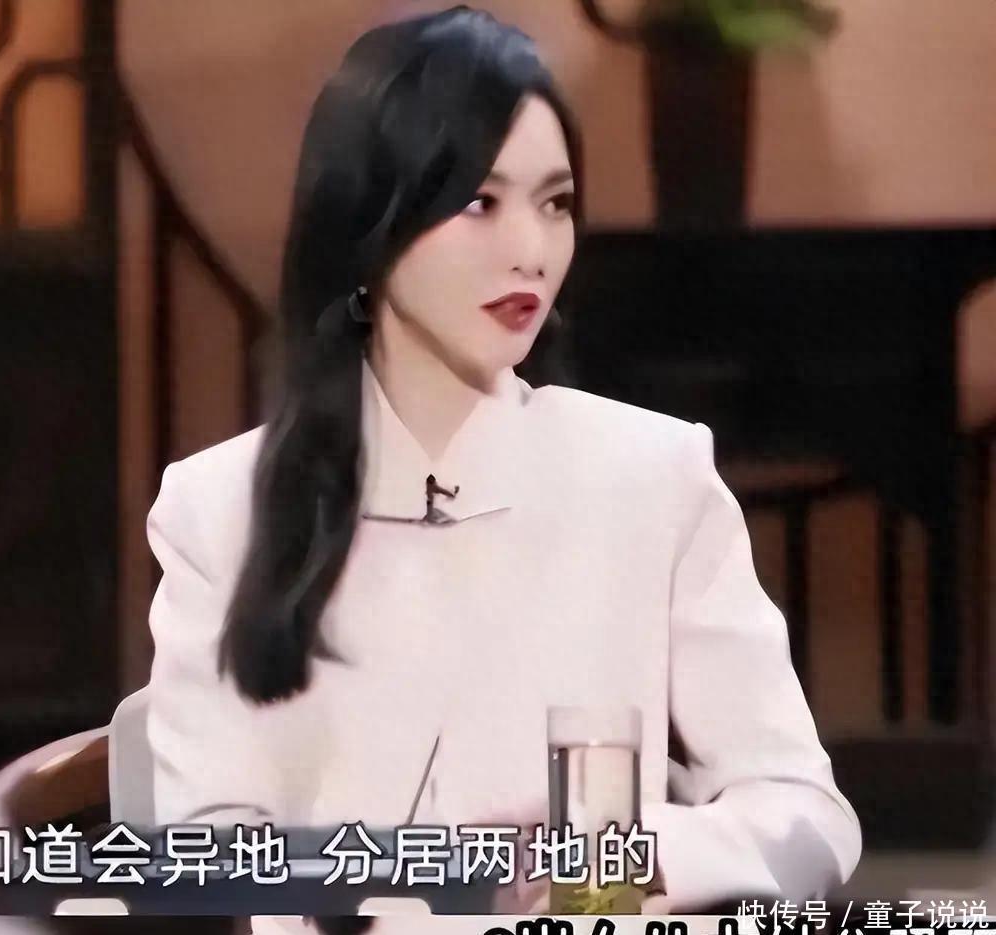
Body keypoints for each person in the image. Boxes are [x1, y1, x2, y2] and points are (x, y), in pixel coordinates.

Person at [144, 4, 862, 924]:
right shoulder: (217, 509)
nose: (532, 251)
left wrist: (636, 856)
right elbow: (209, 853)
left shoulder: (653, 476)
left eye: (555, 203)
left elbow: (806, 813)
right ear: (370, 220)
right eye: (481, 203)